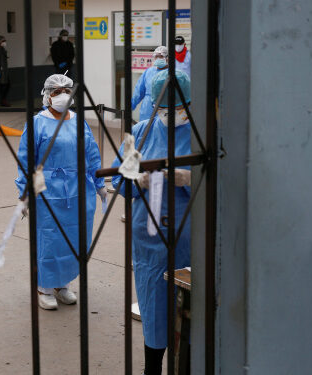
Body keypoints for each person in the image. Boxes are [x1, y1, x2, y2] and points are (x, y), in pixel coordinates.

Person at [111, 69, 192, 375]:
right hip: (149, 239)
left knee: (188, 309)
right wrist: (138, 181)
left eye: (178, 109)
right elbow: (120, 181)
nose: (172, 115)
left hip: (187, 237)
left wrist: (189, 178)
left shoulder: (199, 134)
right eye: (164, 109)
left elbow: (220, 184)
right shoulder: (142, 132)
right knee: (155, 308)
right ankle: (152, 369)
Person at [15, 74, 107, 310]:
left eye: (66, 91)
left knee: (74, 240)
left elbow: (91, 153)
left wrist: (100, 184)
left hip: (80, 191)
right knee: (50, 238)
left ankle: (62, 284)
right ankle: (44, 287)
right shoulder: (37, 123)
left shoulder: (79, 121)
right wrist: (24, 193)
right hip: (47, 192)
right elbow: (26, 160)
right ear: (46, 96)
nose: (62, 96)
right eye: (56, 92)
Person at [132, 46, 169, 122]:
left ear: (167, 58)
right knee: (146, 131)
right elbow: (138, 92)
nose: (158, 59)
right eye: (156, 56)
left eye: (161, 56)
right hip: (147, 109)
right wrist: (130, 106)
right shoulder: (148, 72)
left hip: (165, 108)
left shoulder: (173, 73)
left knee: (162, 131)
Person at [0, 35, 10, 107]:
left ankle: (3, 100)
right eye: (3, 41)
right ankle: (3, 100)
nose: (4, 42)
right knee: (4, 85)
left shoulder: (2, 49)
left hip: (4, 70)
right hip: (1, 71)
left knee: (5, 85)